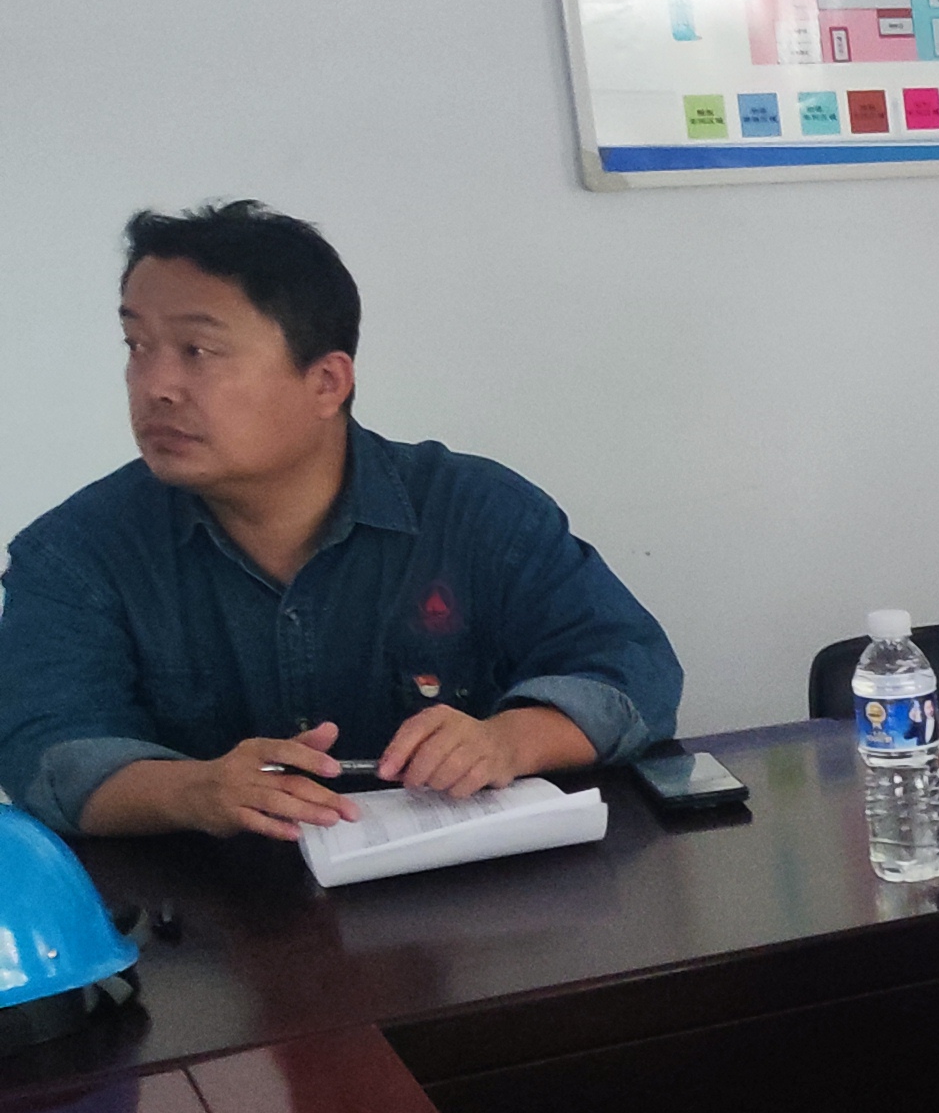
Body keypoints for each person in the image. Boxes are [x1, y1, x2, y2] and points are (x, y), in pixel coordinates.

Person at [0, 203, 681, 841]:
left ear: (327, 382)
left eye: (197, 351)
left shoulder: (476, 511)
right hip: (211, 911)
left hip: (465, 896)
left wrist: (509, 740)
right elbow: (44, 750)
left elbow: (632, 671)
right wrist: (195, 790)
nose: (154, 386)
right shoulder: (76, 553)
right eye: (136, 346)